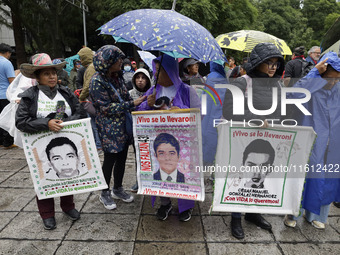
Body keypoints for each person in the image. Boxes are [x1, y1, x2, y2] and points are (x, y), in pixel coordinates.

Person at [15, 53, 87, 230]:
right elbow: (21, 121)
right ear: (37, 77)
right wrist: (46, 123)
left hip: (66, 142)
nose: (52, 77)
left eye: (53, 73)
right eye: (46, 74)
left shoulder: (65, 92)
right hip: (40, 147)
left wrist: (66, 123)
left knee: (67, 174)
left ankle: (68, 206)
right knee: (44, 178)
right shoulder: (29, 96)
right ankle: (47, 214)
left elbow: (80, 112)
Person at [223, 42, 285, 239]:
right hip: (242, 140)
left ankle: (253, 213)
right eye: (269, 63)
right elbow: (229, 110)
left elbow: (282, 109)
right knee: (240, 176)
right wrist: (255, 118)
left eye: (276, 64)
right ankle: (235, 217)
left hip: (267, 140)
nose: (273, 67)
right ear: (258, 63)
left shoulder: (277, 84)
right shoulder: (242, 82)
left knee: (261, 177)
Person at [137, 54, 200, 222]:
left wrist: (180, 111)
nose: (155, 74)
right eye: (155, 70)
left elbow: (199, 114)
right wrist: (147, 105)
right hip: (160, 142)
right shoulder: (153, 91)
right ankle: (165, 202)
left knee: (183, 172)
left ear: (171, 71)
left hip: (182, 145)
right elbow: (140, 117)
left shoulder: (187, 90)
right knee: (162, 171)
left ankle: (186, 205)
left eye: (159, 70)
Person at [284, 52, 340, 229]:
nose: (333, 83)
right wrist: (314, 73)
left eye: (337, 79)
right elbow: (294, 95)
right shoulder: (312, 85)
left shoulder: (338, 89)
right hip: (309, 140)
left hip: (332, 142)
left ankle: (317, 215)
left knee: (328, 178)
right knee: (303, 177)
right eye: (330, 78)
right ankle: (293, 212)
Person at [89, 45, 146, 210]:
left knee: (122, 157)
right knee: (109, 160)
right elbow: (104, 107)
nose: (122, 62)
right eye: (118, 59)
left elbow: (126, 96)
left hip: (123, 126)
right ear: (108, 61)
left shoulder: (117, 77)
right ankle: (104, 192)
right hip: (108, 128)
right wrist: (131, 103)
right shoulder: (97, 81)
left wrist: (138, 102)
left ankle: (118, 188)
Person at [129, 68, 152, 192]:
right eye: (138, 78)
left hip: (151, 131)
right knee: (139, 155)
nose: (140, 80)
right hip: (136, 133)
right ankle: (139, 181)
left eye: (143, 78)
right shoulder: (129, 94)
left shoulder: (153, 93)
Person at [0, 43, 15, 149]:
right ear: (7, 53)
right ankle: (7, 142)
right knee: (7, 118)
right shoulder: (6, 63)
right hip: (5, 95)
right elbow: (11, 81)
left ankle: (0, 141)